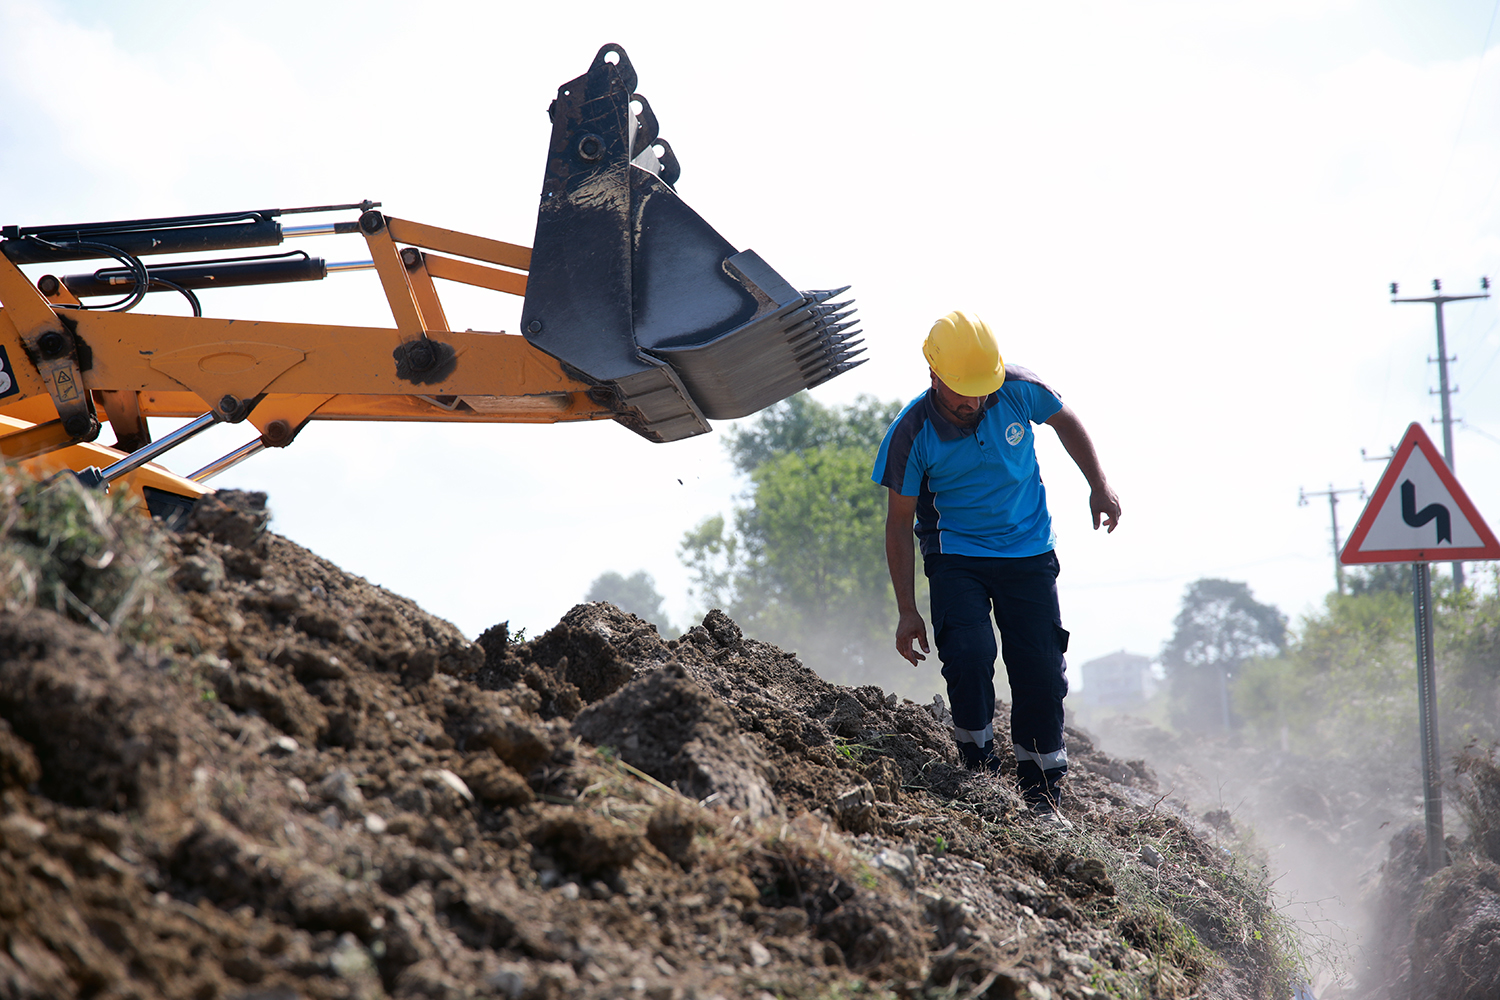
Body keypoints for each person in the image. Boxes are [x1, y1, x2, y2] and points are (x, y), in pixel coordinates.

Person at [872, 310, 1120, 819]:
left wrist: (1099, 484)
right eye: (963, 391)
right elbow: (898, 525)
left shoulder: (1019, 388)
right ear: (934, 376)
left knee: (1041, 671)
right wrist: (907, 610)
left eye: (983, 389)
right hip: (956, 554)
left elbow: (1066, 420)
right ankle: (979, 767)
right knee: (968, 652)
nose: (975, 402)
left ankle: (1042, 797)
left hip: (1029, 552)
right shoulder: (911, 434)